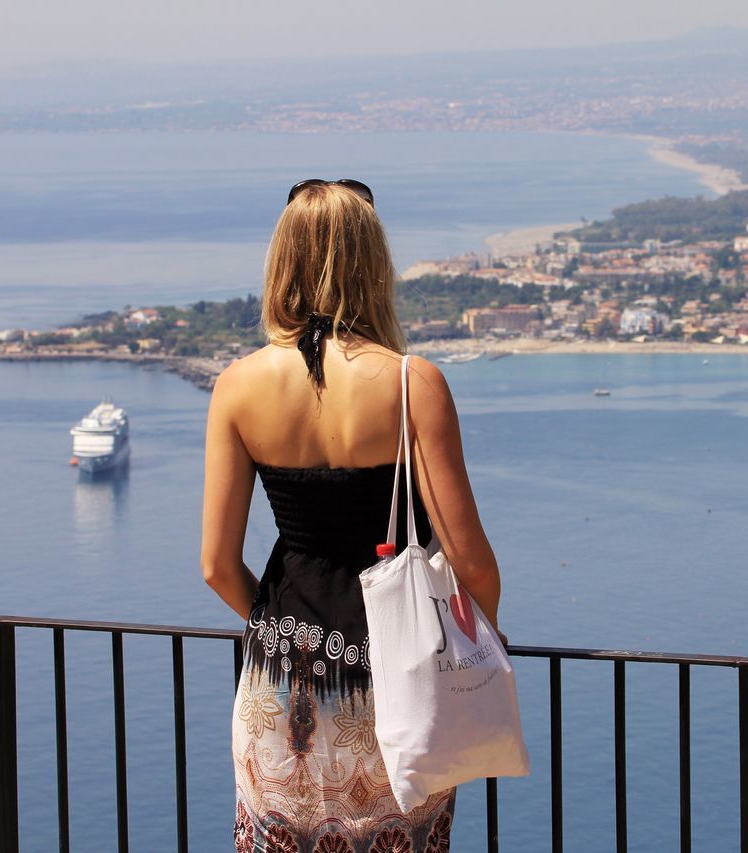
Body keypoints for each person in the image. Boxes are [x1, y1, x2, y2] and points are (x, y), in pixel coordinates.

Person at [200, 178, 503, 853]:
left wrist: (281, 629)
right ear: (372, 263)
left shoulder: (237, 387)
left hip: (278, 696)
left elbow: (217, 565)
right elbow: (474, 563)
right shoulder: (411, 383)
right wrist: (468, 650)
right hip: (393, 692)